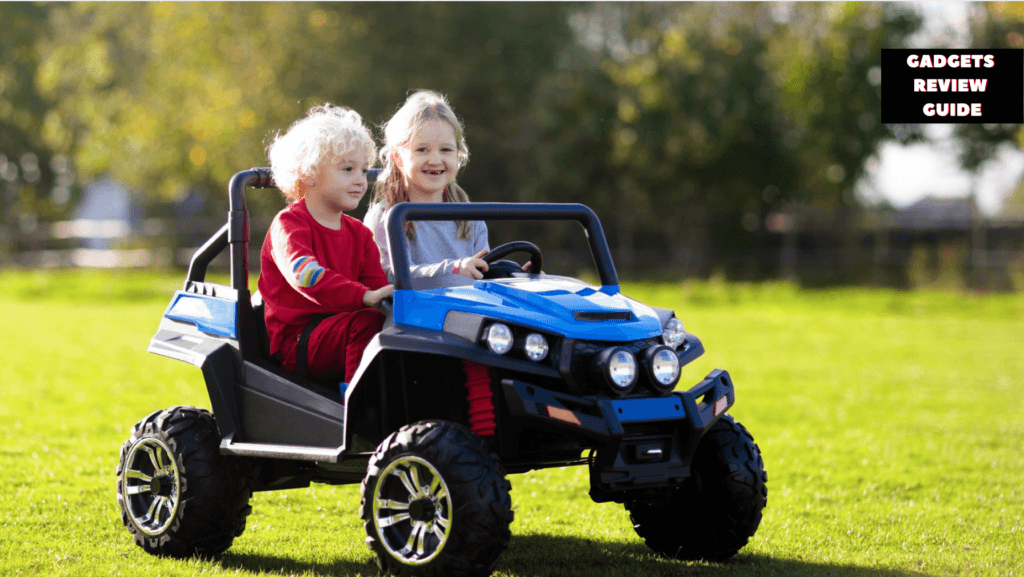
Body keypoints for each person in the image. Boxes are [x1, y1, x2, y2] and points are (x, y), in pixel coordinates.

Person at [258, 104, 394, 383]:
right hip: (298, 341)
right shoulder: (290, 224)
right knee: (369, 321)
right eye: (348, 169)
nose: (360, 180)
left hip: (342, 331)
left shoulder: (360, 234)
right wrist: (363, 297)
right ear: (308, 172)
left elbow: (378, 289)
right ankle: (360, 406)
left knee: (393, 321)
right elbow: (306, 276)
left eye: (364, 170)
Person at [363, 89, 491, 289]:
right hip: (414, 317)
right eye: (422, 150)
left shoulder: (471, 219)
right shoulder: (386, 217)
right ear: (397, 157)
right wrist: (454, 268)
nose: (435, 160)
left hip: (468, 315)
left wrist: (516, 275)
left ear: (458, 155)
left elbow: (485, 274)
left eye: (446, 150)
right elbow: (390, 275)